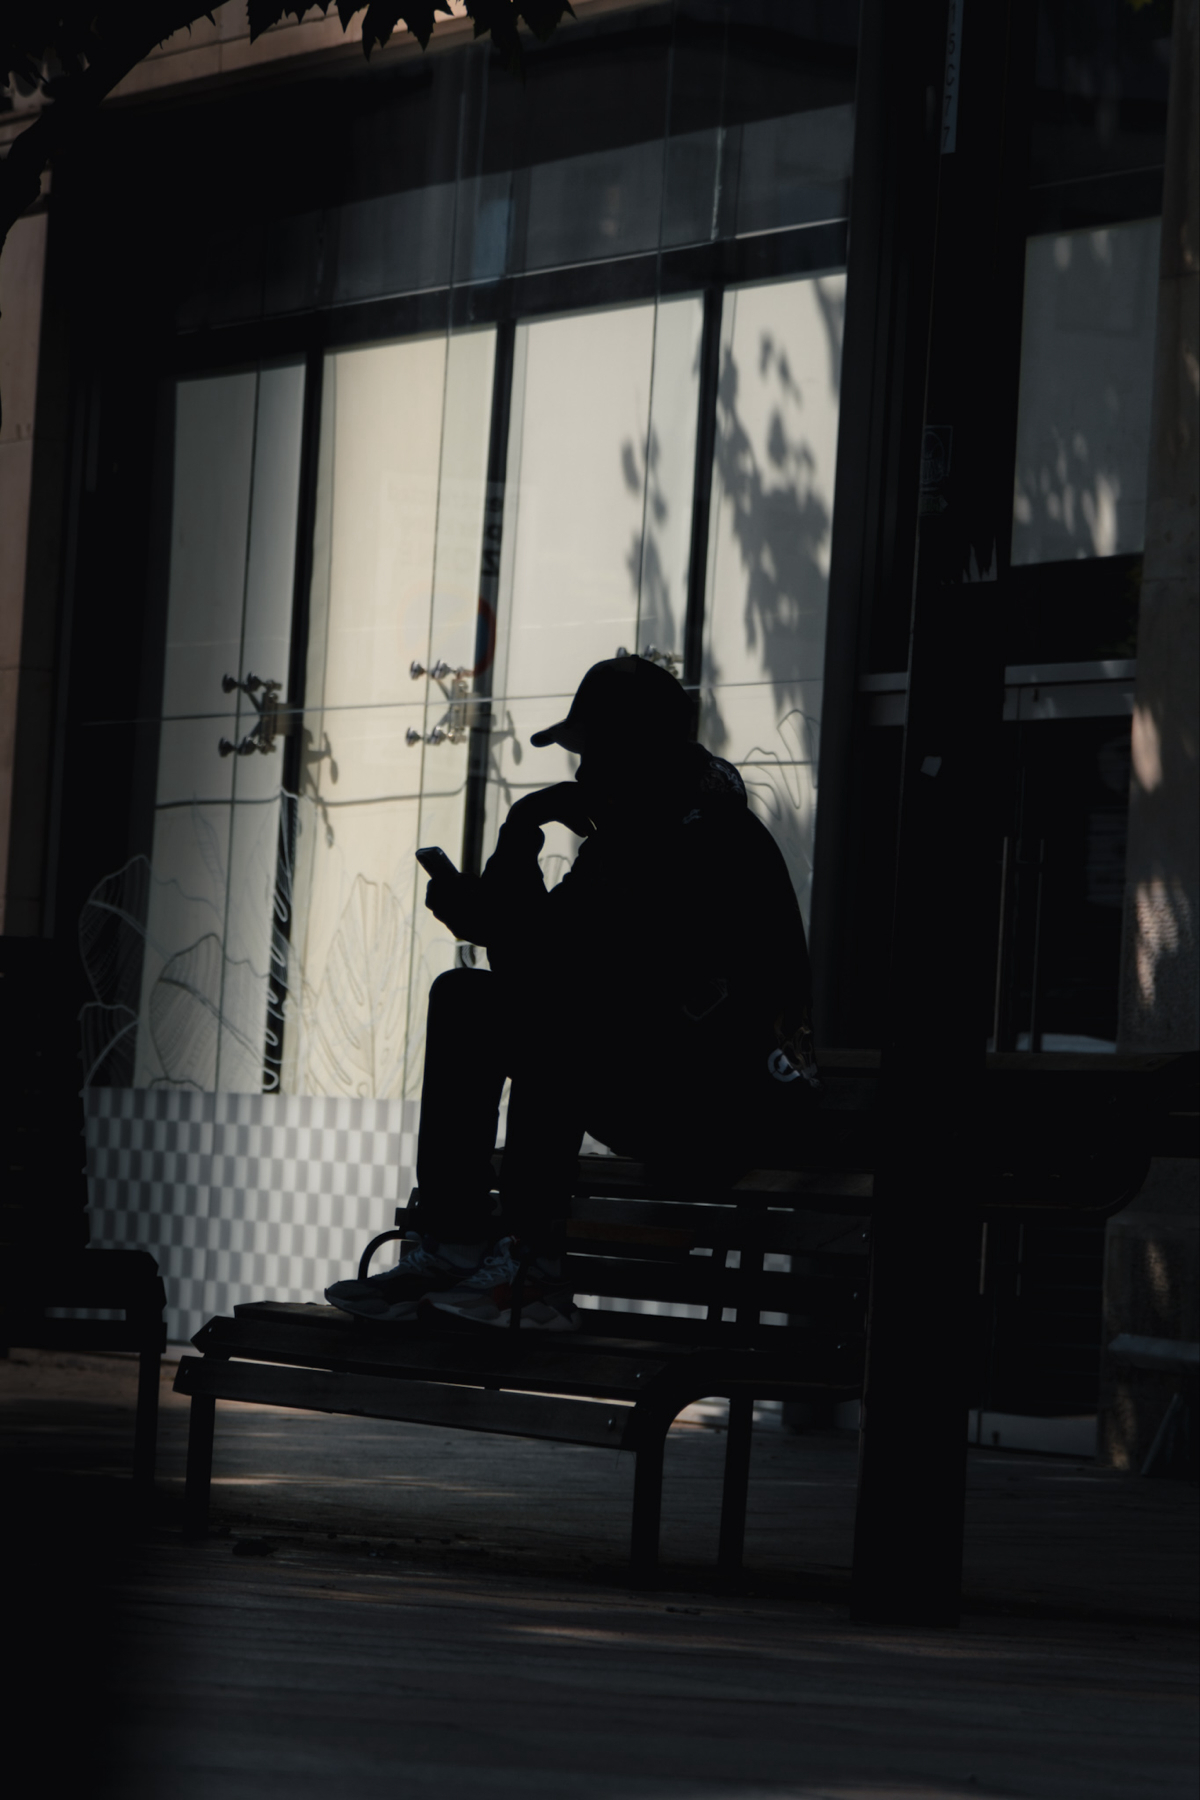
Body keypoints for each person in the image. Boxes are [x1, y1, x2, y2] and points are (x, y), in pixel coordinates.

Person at [325, 653, 819, 1331]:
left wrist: (502, 895)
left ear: (639, 748)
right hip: (653, 1073)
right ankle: (452, 1242)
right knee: (468, 999)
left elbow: (569, 965)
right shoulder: (635, 833)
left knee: (555, 1015)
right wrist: (517, 839)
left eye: (594, 752)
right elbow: (543, 955)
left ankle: (534, 1267)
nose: (583, 773)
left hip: (723, 1105)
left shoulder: (703, 834)